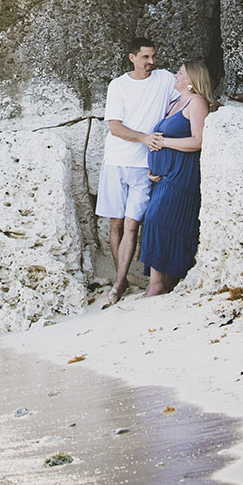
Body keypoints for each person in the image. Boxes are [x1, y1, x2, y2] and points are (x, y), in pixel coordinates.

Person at [96, 38, 177, 306]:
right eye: (145, 57)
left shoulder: (164, 79)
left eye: (153, 56)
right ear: (132, 58)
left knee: (133, 224)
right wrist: (144, 138)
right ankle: (124, 279)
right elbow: (115, 127)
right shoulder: (118, 86)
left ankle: (118, 285)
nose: (151, 61)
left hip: (145, 166)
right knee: (116, 223)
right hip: (116, 161)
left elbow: (184, 100)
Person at [139, 59, 217, 298]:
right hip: (165, 175)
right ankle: (163, 282)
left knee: (158, 220)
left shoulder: (197, 102)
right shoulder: (175, 102)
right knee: (156, 222)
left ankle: (157, 286)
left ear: (192, 81)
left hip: (183, 173)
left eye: (180, 73)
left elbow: (198, 140)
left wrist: (163, 143)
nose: (176, 75)